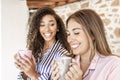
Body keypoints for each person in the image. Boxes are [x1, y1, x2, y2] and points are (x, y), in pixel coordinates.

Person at [51, 9, 120, 80]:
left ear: (93, 34)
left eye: (77, 33)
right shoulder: (67, 64)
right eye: (68, 34)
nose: (69, 39)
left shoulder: (114, 65)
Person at [14, 7, 71, 80]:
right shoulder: (36, 50)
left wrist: (33, 74)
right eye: (42, 25)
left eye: (51, 24)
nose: (47, 29)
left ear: (57, 27)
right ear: (38, 28)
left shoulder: (62, 56)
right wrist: (25, 69)